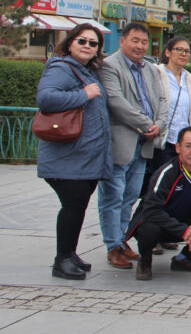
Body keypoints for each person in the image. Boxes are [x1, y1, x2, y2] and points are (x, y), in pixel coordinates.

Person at [36, 25, 111, 280]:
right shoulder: (61, 68)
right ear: (70, 43)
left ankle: (70, 253)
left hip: (84, 158)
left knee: (78, 206)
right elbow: (46, 99)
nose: (87, 46)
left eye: (93, 43)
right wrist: (83, 94)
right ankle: (62, 260)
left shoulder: (86, 71)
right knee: (72, 206)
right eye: (82, 41)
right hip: (66, 156)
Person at [98, 22, 168, 270]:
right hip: (121, 142)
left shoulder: (150, 69)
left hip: (144, 144)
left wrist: (159, 124)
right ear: (122, 41)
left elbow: (162, 99)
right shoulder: (109, 66)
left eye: (144, 41)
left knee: (129, 197)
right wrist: (147, 124)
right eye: (135, 40)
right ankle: (113, 246)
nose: (140, 46)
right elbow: (116, 102)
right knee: (113, 196)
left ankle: (122, 239)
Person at [125, 128, 191, 280]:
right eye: (188, 146)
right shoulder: (166, 172)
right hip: (160, 223)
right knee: (148, 229)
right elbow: (151, 210)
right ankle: (145, 262)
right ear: (178, 148)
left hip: (186, 220)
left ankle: (186, 259)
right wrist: (183, 230)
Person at [153, 36, 191, 171]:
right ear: (168, 52)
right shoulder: (156, 74)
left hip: (183, 143)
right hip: (162, 140)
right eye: (179, 50)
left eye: (187, 51)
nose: (183, 54)